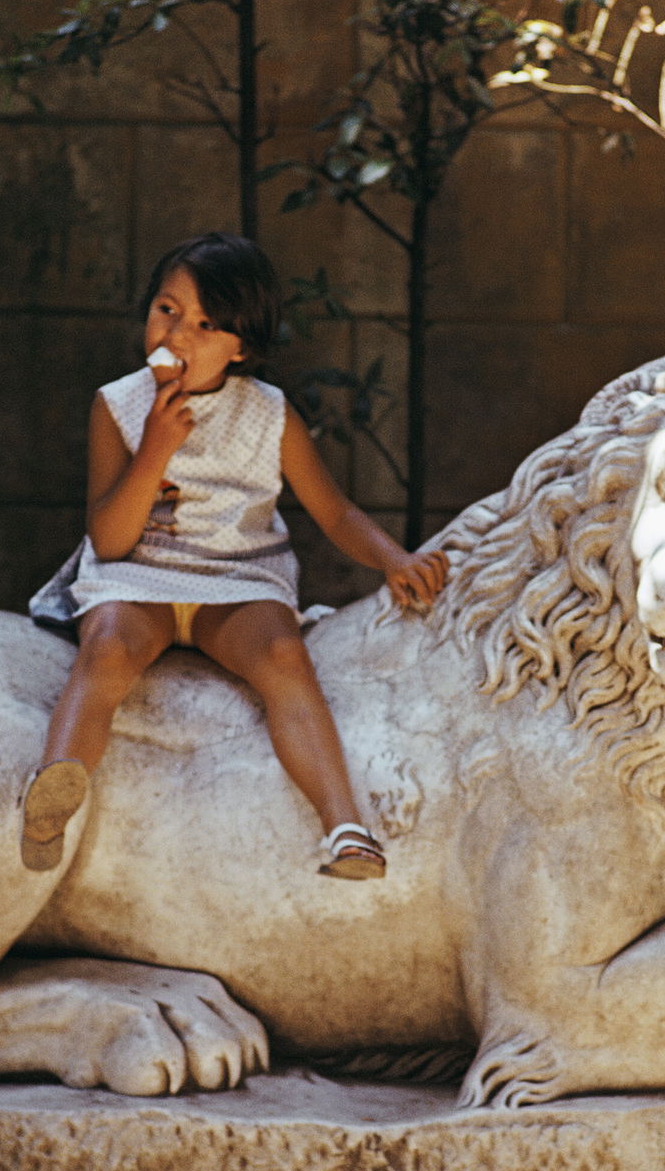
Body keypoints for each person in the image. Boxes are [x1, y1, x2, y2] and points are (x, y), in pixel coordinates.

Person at [23, 232, 449, 879]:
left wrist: (394, 558)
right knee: (107, 648)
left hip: (240, 579)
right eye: (166, 310)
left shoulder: (269, 414)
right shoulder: (119, 405)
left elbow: (334, 510)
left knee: (284, 658)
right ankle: (52, 796)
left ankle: (346, 826)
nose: (178, 333)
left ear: (242, 345)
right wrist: (155, 452)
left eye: (205, 323)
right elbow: (109, 539)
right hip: (141, 576)